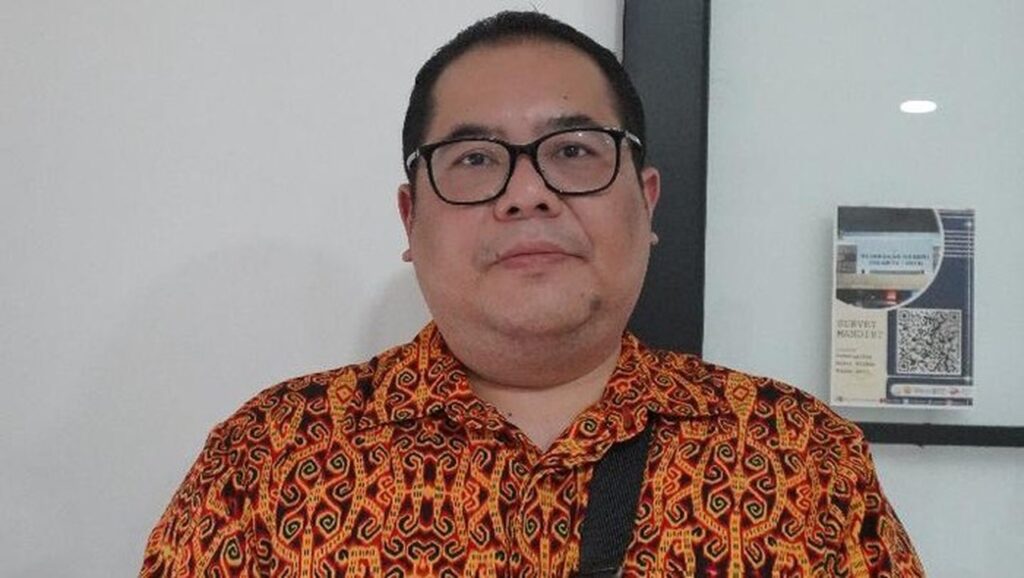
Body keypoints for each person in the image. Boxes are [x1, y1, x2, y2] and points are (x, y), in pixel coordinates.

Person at [140, 11, 924, 577]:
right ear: (411, 220)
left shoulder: (801, 459)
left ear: (647, 202)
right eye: (476, 159)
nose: (527, 194)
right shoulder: (269, 459)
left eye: (574, 151)